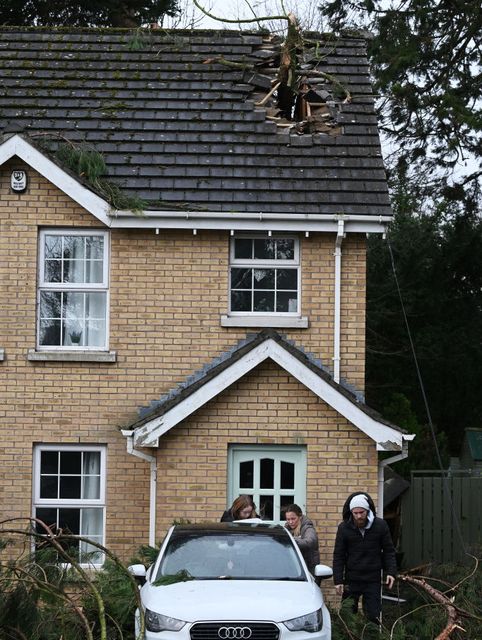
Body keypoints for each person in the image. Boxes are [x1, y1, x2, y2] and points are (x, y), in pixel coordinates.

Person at [333, 492, 397, 624]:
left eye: (361, 512)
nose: (358, 516)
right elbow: (339, 555)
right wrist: (338, 579)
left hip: (372, 580)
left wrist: (391, 572)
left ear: (367, 510)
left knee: (373, 617)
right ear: (351, 512)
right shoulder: (344, 528)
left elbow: (389, 551)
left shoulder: (380, 526)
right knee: (348, 617)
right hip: (351, 579)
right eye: (355, 513)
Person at [284, 504, 320, 579]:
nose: (290, 522)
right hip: (293, 570)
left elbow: (310, 541)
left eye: (293, 519)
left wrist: (292, 541)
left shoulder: (307, 527)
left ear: (300, 517)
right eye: (288, 519)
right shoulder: (287, 528)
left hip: (309, 572)